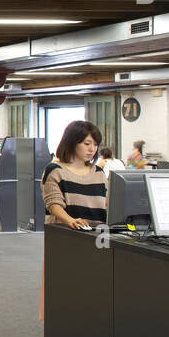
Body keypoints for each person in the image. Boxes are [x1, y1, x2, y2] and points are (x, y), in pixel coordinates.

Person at [40, 121, 108, 322]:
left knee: (92, 292)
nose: (92, 149)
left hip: (96, 237)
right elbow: (53, 204)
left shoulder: (98, 173)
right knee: (65, 289)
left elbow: (108, 203)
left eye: (95, 145)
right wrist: (71, 221)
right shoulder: (55, 170)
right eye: (87, 143)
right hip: (66, 237)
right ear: (72, 142)